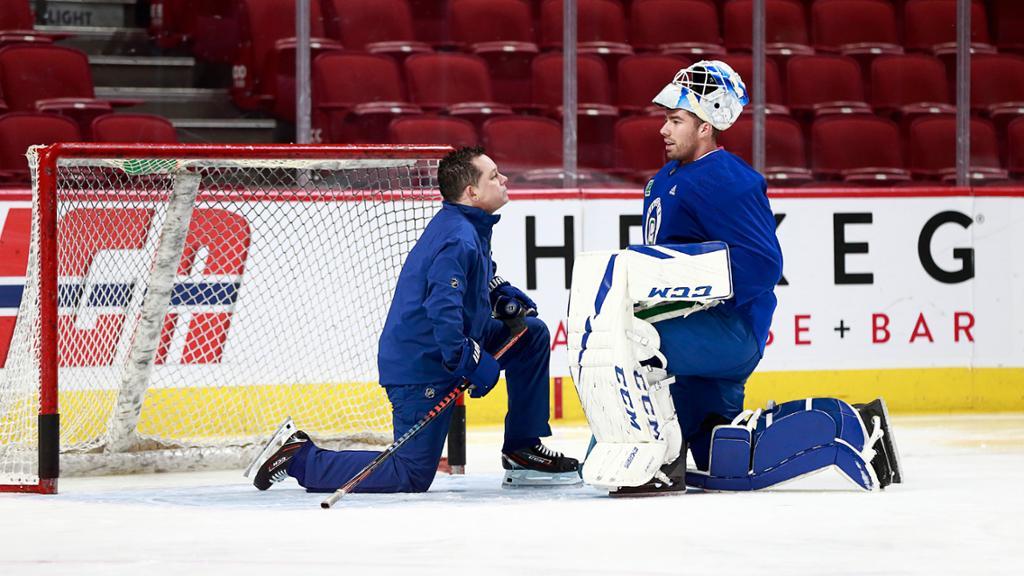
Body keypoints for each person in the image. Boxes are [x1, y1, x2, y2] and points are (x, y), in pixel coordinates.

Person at [573, 60, 901, 494]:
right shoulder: (663, 180)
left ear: (705, 127)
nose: (663, 130)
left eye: (675, 121)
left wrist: (689, 288)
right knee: (724, 456)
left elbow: (763, 264)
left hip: (729, 330)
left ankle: (649, 463)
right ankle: (855, 424)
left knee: (626, 341)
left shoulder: (729, 180)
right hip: (696, 339)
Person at [246, 146, 580, 493]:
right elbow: (442, 307)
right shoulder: (459, 236)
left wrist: (498, 291)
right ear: (472, 192)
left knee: (532, 336)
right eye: (494, 176)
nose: (504, 179)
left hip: (446, 349)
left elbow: (473, 276)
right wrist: (469, 360)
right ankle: (298, 456)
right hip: (423, 365)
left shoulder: (469, 225)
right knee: (410, 473)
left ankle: (522, 451)